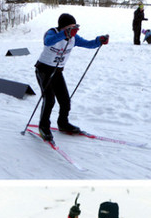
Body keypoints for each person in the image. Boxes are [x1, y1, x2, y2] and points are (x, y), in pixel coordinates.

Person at [34, 13, 109, 141]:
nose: (73, 29)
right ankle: (43, 127)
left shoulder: (73, 38)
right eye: (70, 27)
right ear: (63, 27)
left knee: (65, 100)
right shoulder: (52, 33)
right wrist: (65, 34)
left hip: (57, 71)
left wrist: (99, 41)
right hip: (44, 70)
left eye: (75, 27)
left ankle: (63, 124)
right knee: (49, 100)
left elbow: (88, 43)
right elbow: (48, 42)